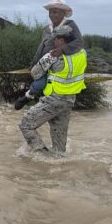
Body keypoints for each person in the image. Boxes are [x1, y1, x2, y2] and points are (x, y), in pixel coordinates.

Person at [19, 24, 88, 154]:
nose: (52, 42)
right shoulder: (83, 53)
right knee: (59, 147)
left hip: (54, 99)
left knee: (26, 124)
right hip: (69, 101)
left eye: (54, 39)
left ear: (61, 40)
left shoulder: (52, 55)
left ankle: (42, 155)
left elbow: (35, 73)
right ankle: (57, 166)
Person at [15, 0, 84, 110]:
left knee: (44, 84)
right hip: (46, 61)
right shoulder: (47, 29)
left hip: (61, 64)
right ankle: (28, 97)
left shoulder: (70, 25)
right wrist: (34, 62)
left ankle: (28, 97)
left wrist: (63, 49)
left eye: (55, 12)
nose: (52, 15)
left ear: (63, 13)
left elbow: (79, 41)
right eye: (50, 12)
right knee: (39, 81)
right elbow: (41, 47)